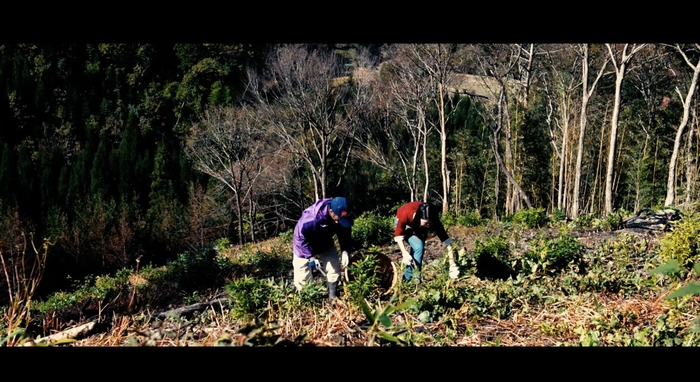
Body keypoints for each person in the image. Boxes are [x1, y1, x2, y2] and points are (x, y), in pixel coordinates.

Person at [292, 196, 354, 299]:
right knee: (303, 276)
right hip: (303, 246)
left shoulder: (340, 217)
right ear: (331, 212)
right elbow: (300, 238)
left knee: (334, 267)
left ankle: (333, 296)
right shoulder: (310, 219)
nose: (341, 221)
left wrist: (345, 251)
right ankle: (307, 301)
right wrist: (310, 257)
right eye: (340, 218)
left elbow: (345, 234)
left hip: (325, 242)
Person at [393, 201, 458, 282]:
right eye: (426, 223)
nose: (428, 226)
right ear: (419, 218)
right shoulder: (405, 214)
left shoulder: (434, 221)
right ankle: (415, 280)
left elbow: (447, 242)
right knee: (418, 247)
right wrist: (404, 253)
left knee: (418, 250)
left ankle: (406, 279)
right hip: (405, 224)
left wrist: (452, 264)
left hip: (418, 226)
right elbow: (398, 235)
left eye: (430, 223)